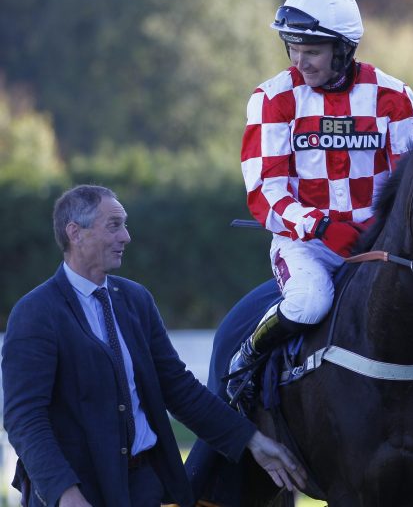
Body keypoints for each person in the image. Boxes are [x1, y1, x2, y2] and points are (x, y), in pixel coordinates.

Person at [1, 185, 307, 507]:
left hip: (143, 488)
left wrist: (251, 439)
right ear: (75, 233)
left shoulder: (135, 300)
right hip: (79, 493)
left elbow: (179, 389)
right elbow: (25, 418)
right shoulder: (35, 313)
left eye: (125, 225)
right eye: (114, 225)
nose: (126, 237)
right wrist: (65, 493)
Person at [227, 0, 413, 409]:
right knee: (311, 303)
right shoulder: (273, 98)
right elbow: (265, 191)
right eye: (292, 47)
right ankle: (246, 364)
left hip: (378, 244)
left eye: (311, 50)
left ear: (344, 49)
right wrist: (321, 226)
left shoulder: (394, 96)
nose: (300, 60)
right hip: (308, 244)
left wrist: (378, 232)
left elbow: (409, 182)